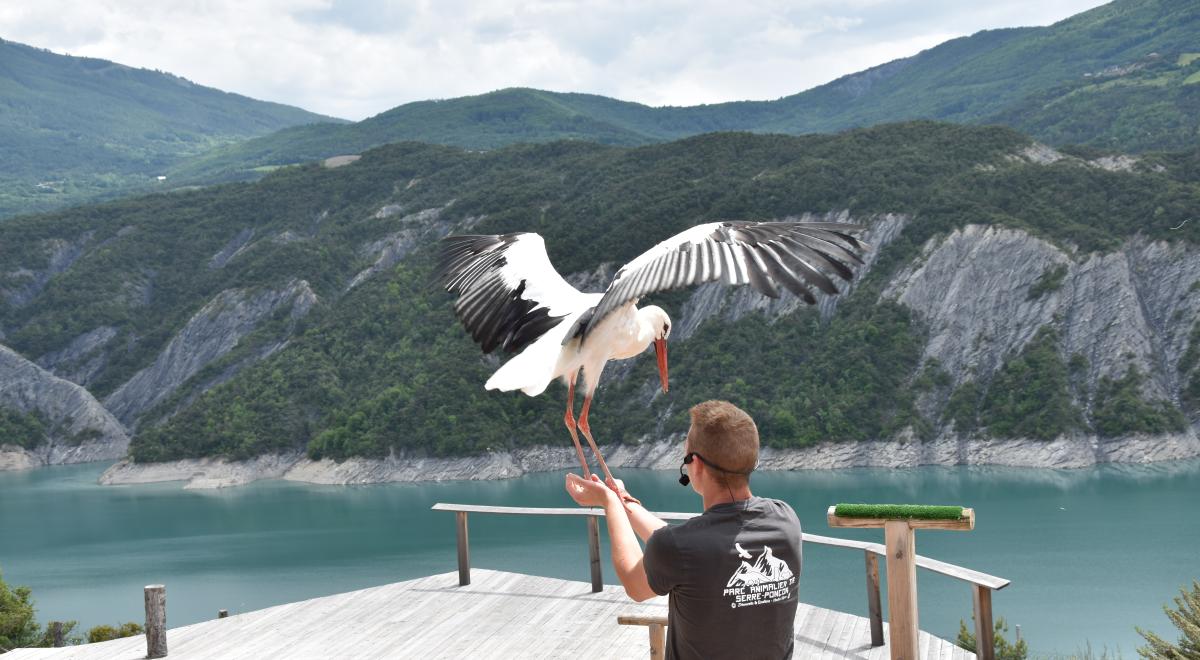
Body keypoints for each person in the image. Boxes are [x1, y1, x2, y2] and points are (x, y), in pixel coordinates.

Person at [565, 400, 802, 659]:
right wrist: (622, 498)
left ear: (696, 465)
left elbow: (636, 584)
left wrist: (609, 503)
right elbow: (684, 546)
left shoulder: (681, 548)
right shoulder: (786, 520)